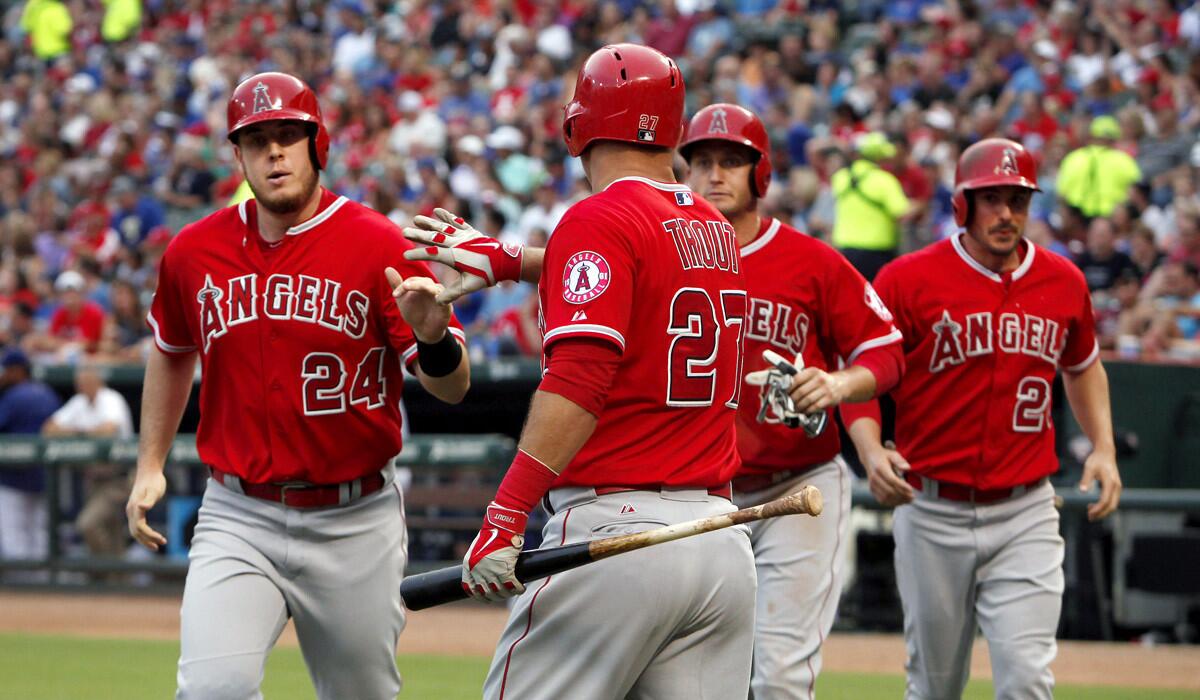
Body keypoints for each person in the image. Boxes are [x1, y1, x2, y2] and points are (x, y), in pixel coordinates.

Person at [406, 44, 757, 699]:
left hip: (615, 536)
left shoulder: (596, 219)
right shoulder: (714, 228)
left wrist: (505, 516)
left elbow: (579, 382)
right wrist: (514, 259)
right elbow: (643, 262)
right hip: (716, 540)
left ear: (581, 121)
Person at [125, 72, 470, 700]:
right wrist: (150, 461)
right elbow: (172, 351)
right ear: (238, 155)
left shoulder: (378, 244)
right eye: (257, 140)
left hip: (354, 518)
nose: (274, 152)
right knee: (211, 691)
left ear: (318, 145)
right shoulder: (193, 251)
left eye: (288, 135)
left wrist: (433, 339)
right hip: (238, 511)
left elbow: (450, 389)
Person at [845, 138, 1122, 700]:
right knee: (935, 685)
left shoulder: (1063, 280)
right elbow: (861, 375)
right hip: (931, 509)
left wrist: (1104, 446)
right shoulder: (906, 279)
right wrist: (872, 450)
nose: (1006, 214)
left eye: (1016, 200)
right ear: (962, 205)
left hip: (1025, 510)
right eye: (990, 199)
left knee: (1026, 680)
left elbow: (1083, 365)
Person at [678, 103, 905, 699]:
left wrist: (839, 385)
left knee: (779, 677)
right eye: (702, 162)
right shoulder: (664, 256)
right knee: (689, 676)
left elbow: (883, 352)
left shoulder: (810, 261)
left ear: (761, 174)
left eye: (732, 161)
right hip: (697, 493)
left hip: (796, 487)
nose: (715, 175)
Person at [41, 364, 134, 564]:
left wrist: (76, 433)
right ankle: (116, 579)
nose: (82, 386)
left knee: (88, 524)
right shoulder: (79, 402)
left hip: (118, 477)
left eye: (87, 382)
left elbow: (109, 430)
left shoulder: (111, 399)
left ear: (98, 381)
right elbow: (49, 428)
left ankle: (105, 572)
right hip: (92, 478)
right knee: (111, 528)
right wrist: (82, 433)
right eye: (80, 383)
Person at [0, 348, 60, 572]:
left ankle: (23, 589)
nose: (4, 375)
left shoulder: (13, 396)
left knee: (15, 535)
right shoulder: (47, 392)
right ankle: (44, 585)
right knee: (41, 533)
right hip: (44, 476)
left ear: (18, 371)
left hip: (13, 479)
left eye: (7, 370)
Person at [830, 132, 913, 280]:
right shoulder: (885, 181)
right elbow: (901, 212)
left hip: (844, 249)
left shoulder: (840, 178)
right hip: (877, 252)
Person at [1056, 116, 1142, 219]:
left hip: (1077, 219)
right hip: (1111, 220)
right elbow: (1135, 192)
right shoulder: (1124, 159)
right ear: (1114, 139)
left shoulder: (1073, 158)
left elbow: (1061, 194)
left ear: (1092, 137)